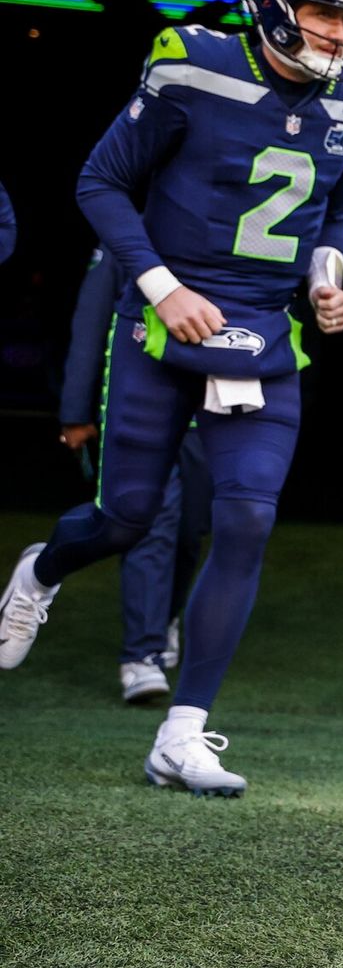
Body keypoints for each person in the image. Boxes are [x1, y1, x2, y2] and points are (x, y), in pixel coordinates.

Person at [0, 0, 343, 797]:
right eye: (320, 13)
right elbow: (99, 181)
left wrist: (327, 279)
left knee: (245, 520)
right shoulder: (192, 63)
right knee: (127, 518)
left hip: (263, 335)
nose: (336, 33)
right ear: (274, 5)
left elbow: (333, 208)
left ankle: (181, 731)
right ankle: (41, 570)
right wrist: (164, 286)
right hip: (162, 324)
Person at [58, 247, 212, 701]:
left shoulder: (222, 227)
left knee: (190, 531)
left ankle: (164, 619)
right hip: (138, 405)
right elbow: (90, 323)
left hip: (208, 409)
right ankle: (141, 654)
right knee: (151, 524)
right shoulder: (128, 230)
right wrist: (74, 411)